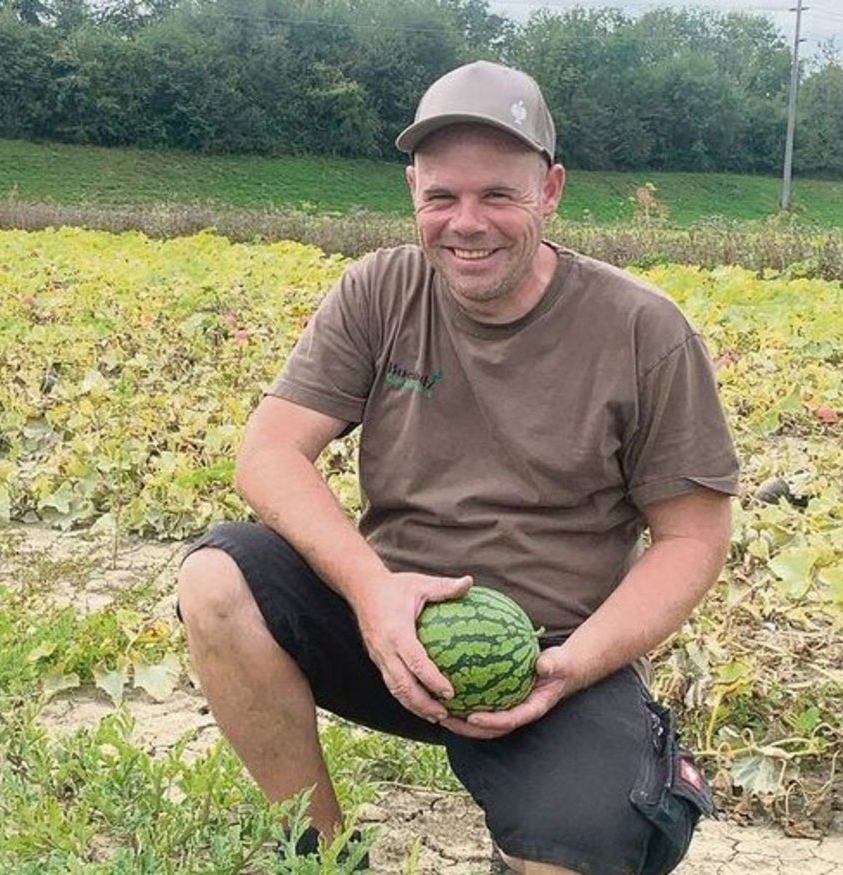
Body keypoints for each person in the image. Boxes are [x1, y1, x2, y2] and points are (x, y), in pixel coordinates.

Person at [176, 60, 738, 875]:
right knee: (219, 579)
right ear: (413, 190)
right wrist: (373, 592)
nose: (465, 222)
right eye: (442, 196)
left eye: (497, 196)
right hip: (387, 627)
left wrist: (570, 665)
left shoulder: (643, 331)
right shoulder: (379, 290)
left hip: (552, 653)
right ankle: (323, 855)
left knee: (591, 843)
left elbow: (693, 537)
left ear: (549, 190)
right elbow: (267, 453)